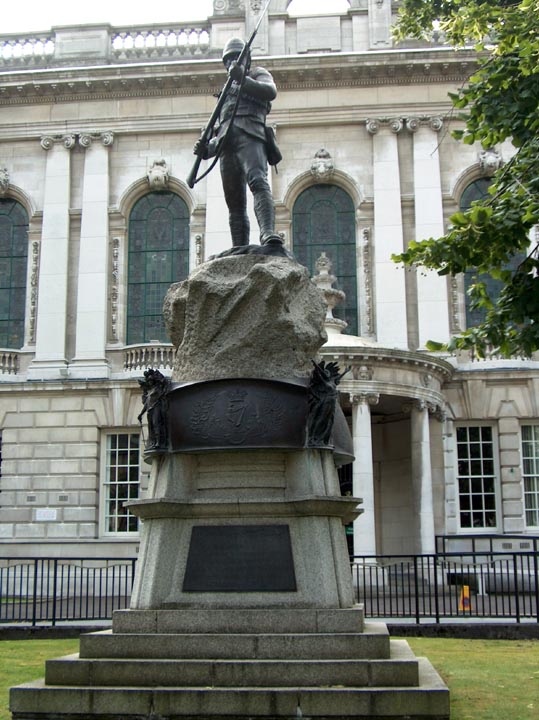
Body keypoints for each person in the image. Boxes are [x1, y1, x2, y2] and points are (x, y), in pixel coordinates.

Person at [194, 37, 280, 248]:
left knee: (258, 182)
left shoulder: (257, 74)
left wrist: (243, 80)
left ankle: (267, 233)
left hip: (250, 135)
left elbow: (270, 92)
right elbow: (223, 127)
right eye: (228, 60)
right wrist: (207, 148)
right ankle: (238, 246)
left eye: (236, 58)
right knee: (234, 203)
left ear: (246, 59)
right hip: (227, 148)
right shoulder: (223, 93)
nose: (232, 63)